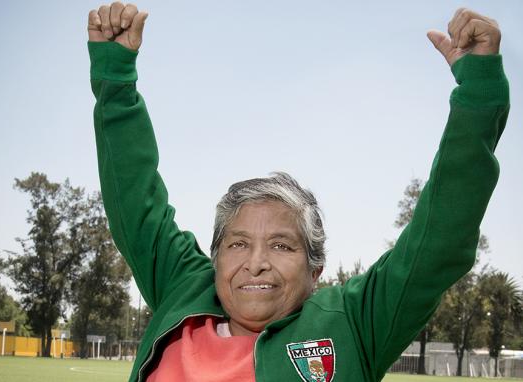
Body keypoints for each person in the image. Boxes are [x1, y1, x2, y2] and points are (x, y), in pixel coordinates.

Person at [87, 3, 509, 382]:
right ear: (215, 258)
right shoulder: (183, 289)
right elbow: (133, 194)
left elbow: (438, 241)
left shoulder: (354, 322)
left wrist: (478, 93)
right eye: (237, 243)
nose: (256, 264)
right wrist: (114, 77)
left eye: (281, 245)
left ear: (315, 269)